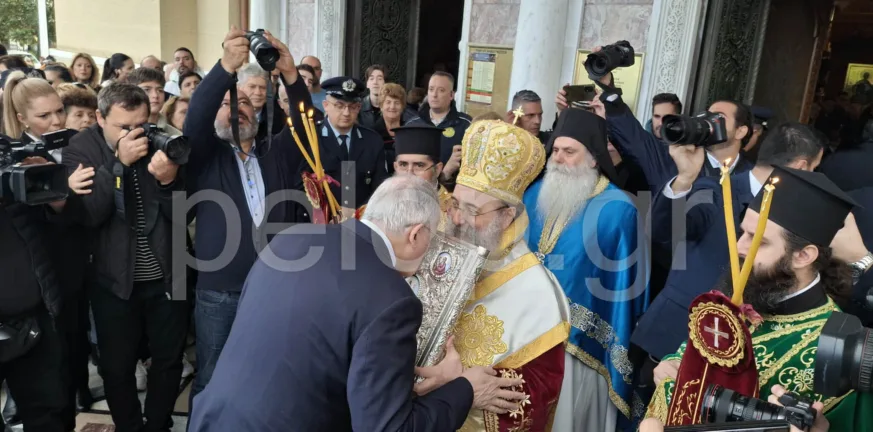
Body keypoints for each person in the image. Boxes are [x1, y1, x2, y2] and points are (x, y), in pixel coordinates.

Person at [189, 175, 528, 430]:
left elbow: (316, 353)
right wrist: (466, 389)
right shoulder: (392, 300)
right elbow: (388, 427)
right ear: (416, 235)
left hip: (212, 419)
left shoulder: (290, 240)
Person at [645, 166, 873, 431]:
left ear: (803, 256)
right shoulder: (741, 298)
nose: (739, 247)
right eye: (743, 232)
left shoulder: (842, 351)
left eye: (758, 241)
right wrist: (669, 367)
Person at [183, 27, 308, 402]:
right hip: (220, 293)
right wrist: (225, 67)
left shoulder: (277, 155)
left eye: (243, 103)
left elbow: (305, 124)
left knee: (269, 376)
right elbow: (195, 118)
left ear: (258, 113)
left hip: (274, 290)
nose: (235, 108)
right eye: (225, 103)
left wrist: (291, 75)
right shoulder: (204, 158)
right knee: (212, 380)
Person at [637, 123, 825, 362]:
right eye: (814, 169)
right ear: (801, 166)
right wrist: (684, 179)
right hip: (677, 335)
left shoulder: (790, 213)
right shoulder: (715, 189)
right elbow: (662, 230)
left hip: (736, 348)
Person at [61, 83, 188, 432]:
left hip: (171, 271)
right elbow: (90, 215)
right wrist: (118, 162)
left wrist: (169, 182)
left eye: (141, 124)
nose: (135, 134)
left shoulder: (163, 140)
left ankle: (158, 423)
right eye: (123, 127)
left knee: (169, 359)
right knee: (117, 366)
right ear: (100, 118)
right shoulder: (80, 148)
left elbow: (186, 214)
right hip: (113, 279)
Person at [523, 108, 648, 431]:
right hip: (527, 331)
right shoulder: (534, 194)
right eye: (556, 150)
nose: (558, 158)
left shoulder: (619, 209)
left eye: (569, 151)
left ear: (593, 158)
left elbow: (625, 287)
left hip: (580, 346)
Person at [445, 119, 571, 431]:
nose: (457, 218)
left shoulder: (537, 292)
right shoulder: (441, 253)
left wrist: (458, 386)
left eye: (472, 210)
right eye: (455, 204)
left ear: (506, 216)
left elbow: (537, 396)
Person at [1, 74, 96, 430]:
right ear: (22, 118)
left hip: (56, 286)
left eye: (59, 111)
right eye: (44, 116)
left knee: (55, 392)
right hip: (25, 292)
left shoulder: (75, 147)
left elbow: (80, 216)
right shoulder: (14, 158)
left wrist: (59, 196)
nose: (56, 121)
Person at [558, 48, 753, 194]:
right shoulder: (671, 158)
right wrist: (609, 89)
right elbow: (633, 136)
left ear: (741, 131)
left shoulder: (754, 178)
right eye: (708, 115)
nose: (710, 122)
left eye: (719, 117)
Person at [288, 75, 388, 213]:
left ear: (359, 108)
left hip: (362, 220)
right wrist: (326, 215)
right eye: (339, 106)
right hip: (322, 221)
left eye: (352, 107)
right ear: (326, 106)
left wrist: (359, 214)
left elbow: (380, 188)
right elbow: (300, 186)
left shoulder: (372, 141)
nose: (346, 113)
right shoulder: (311, 138)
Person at [358, 124, 451, 228]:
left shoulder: (453, 211)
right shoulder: (374, 210)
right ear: (395, 167)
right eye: (403, 165)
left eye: (419, 165)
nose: (409, 173)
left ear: (437, 170)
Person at [408, 72, 471, 167]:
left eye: (441, 90)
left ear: (451, 95)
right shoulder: (412, 125)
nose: (434, 94)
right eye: (431, 89)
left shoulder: (466, 125)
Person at [125, 66, 181, 135]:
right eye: (147, 90)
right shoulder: (119, 130)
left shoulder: (175, 135)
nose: (155, 95)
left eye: (160, 90)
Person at [237, 62, 286, 141]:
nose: (258, 93)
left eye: (263, 87)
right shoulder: (227, 114)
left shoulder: (279, 119)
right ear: (239, 88)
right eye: (252, 87)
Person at [374, 83, 416, 173]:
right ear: (381, 106)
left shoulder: (410, 131)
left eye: (397, 103)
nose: (392, 107)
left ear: (402, 107)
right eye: (388, 102)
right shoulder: (373, 133)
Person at [358, 64, 386, 129]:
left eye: (379, 79)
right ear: (367, 84)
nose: (375, 82)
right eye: (371, 79)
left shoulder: (391, 107)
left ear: (385, 83)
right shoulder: (358, 107)